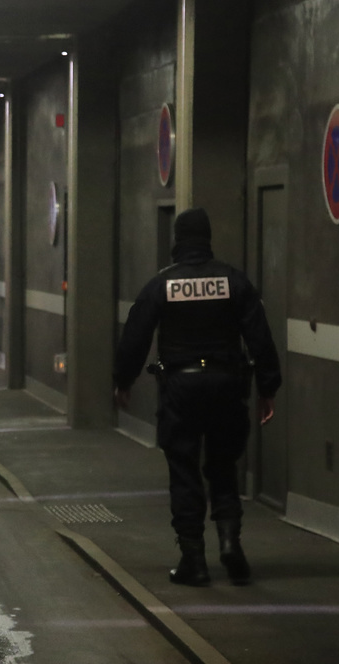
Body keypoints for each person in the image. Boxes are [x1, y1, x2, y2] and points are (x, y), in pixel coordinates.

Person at [113, 207, 281, 587]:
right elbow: (259, 336)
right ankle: (229, 541)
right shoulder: (233, 281)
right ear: (207, 239)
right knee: (223, 464)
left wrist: (123, 381)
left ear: (177, 241)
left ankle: (194, 559)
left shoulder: (163, 284)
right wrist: (267, 388)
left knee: (184, 469)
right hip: (226, 383)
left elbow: (136, 336)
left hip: (181, 387)